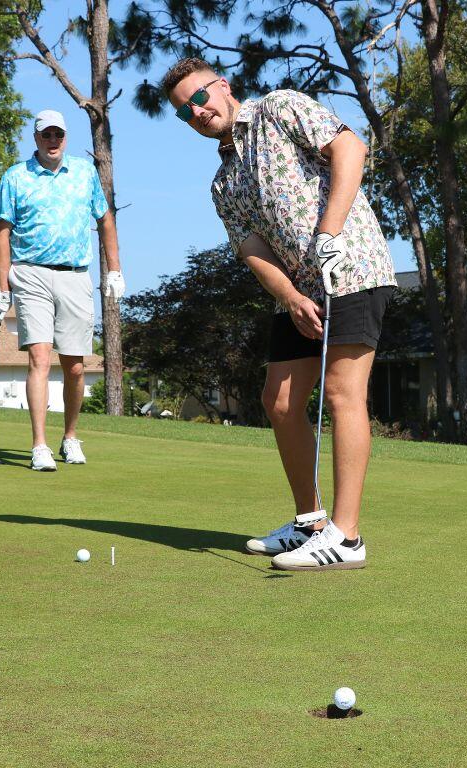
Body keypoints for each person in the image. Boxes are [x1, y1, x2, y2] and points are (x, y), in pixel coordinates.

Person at [161, 59, 397, 570]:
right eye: (184, 112)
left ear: (222, 85)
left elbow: (351, 148)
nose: (197, 112)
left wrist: (329, 235)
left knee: (341, 393)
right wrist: (290, 296)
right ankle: (309, 522)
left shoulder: (279, 107)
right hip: (301, 289)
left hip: (353, 265)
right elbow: (252, 249)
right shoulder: (223, 183)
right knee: (281, 400)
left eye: (200, 97)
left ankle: (347, 538)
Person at [0, 109, 124, 471]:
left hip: (75, 275)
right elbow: (2, 233)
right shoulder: (15, 177)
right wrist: (3, 289)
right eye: (46, 135)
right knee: (40, 358)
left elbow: (105, 219)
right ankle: (39, 445)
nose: (53, 141)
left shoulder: (84, 172)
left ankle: (70, 437)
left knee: (76, 367)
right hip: (30, 274)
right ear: (36, 138)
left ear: (65, 137)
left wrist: (114, 270)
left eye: (58, 135)